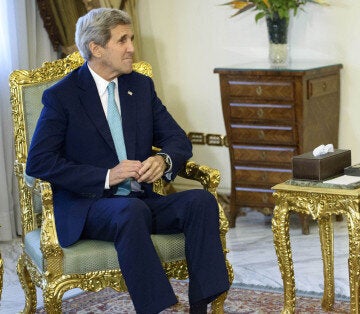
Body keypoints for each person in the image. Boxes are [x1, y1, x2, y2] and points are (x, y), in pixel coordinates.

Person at [25, 8, 229, 314]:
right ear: (96, 48)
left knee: (200, 202)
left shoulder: (139, 86)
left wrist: (163, 160)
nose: (132, 47)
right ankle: (158, 308)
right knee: (129, 209)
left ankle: (201, 306)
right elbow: (39, 162)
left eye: (131, 38)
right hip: (89, 207)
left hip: (141, 202)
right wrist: (107, 176)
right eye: (122, 40)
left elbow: (178, 140)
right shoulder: (63, 96)